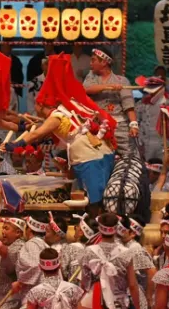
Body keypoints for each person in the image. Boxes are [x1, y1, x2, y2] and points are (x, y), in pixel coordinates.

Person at [21, 54, 116, 212]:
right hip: (96, 154)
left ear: (44, 104)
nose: (35, 109)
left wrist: (15, 145)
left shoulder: (56, 116)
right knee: (89, 198)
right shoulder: (69, 107)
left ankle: (98, 231)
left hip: (91, 158)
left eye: (37, 105)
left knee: (95, 204)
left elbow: (35, 135)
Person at [84, 49, 138, 155]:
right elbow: (85, 89)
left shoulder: (121, 81)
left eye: (93, 60)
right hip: (97, 126)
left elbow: (129, 106)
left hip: (119, 126)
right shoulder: (91, 78)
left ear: (104, 62)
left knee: (128, 156)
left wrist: (133, 124)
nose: (91, 64)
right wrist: (107, 87)